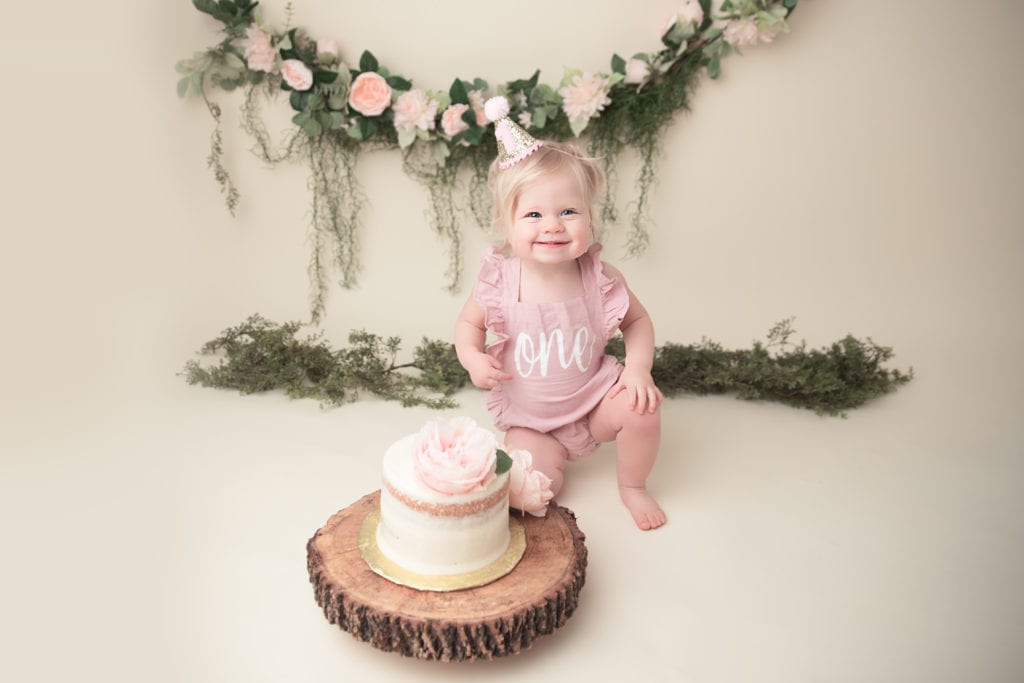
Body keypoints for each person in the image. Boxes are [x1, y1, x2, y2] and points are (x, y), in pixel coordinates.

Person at [454, 97, 666, 530]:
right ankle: (541, 462)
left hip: (593, 403)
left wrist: (638, 370)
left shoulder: (598, 277)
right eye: (533, 214)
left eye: (568, 212)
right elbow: (468, 327)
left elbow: (637, 322)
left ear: (590, 217)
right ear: (506, 222)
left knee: (641, 409)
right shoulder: (501, 280)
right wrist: (473, 358)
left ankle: (633, 486)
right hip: (531, 419)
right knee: (526, 493)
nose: (552, 225)